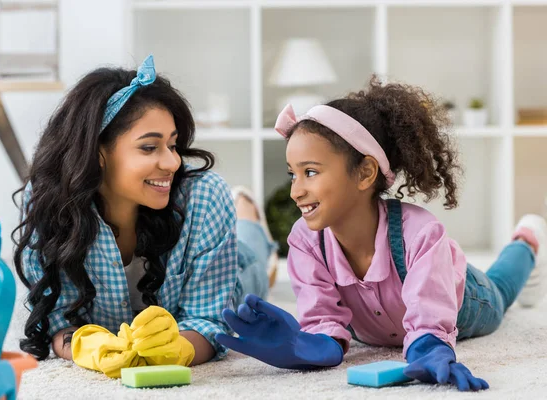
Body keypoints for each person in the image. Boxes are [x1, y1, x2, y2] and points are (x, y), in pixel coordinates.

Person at [216, 77, 547, 391]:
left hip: (462, 299)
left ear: (365, 173)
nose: (295, 191)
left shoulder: (419, 234)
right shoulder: (305, 241)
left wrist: (430, 347)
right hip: (383, 325)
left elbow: (430, 317)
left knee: (502, 292)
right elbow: (325, 324)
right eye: (293, 175)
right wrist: (304, 344)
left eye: (311, 172)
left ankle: (527, 241)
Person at [12, 55, 276, 369]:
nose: (172, 162)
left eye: (173, 145)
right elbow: (56, 319)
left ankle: (245, 208)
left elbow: (209, 320)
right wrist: (81, 347)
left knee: (253, 258)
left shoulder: (204, 197)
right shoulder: (50, 201)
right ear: (96, 153)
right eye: (149, 148)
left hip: (236, 273)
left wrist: (176, 349)